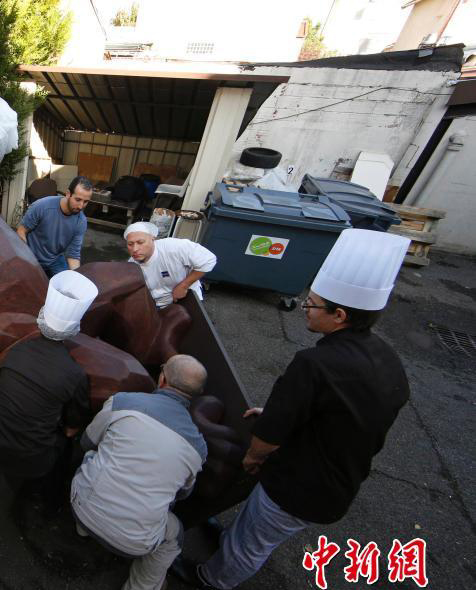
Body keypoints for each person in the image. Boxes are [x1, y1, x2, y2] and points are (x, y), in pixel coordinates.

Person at [172, 229, 412, 589]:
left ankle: (209, 579)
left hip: (302, 485)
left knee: (255, 541)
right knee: (252, 526)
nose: (305, 310)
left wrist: (254, 456)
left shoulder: (315, 363)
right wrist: (279, 415)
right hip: (339, 473)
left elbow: (266, 440)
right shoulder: (386, 358)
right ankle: (226, 544)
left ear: (340, 315)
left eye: (312, 305)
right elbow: (343, 410)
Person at [71, 354, 209, 590]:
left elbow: (87, 441)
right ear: (195, 396)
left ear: (162, 378)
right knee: (175, 535)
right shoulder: (198, 448)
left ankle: (83, 528)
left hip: (81, 508)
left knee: (92, 457)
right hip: (135, 543)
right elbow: (182, 495)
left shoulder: (123, 402)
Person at [0, 270, 97, 506]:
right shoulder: (74, 373)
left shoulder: (16, 351)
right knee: (67, 446)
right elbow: (72, 427)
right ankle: (41, 500)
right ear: (73, 329)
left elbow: (0, 390)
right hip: (31, 461)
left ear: (41, 317)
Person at [124, 221, 216, 308]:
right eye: (130, 244)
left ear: (153, 239)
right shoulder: (131, 266)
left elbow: (208, 259)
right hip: (157, 305)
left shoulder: (173, 247)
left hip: (187, 297)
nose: (135, 249)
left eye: (140, 242)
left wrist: (184, 286)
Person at [17, 176, 93, 276]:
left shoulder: (81, 221)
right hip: (32, 256)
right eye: (78, 200)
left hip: (55, 259)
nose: (81, 206)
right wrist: (26, 258)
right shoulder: (42, 206)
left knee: (67, 286)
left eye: (85, 201)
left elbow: (73, 255)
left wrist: (76, 278)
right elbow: (21, 231)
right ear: (68, 194)